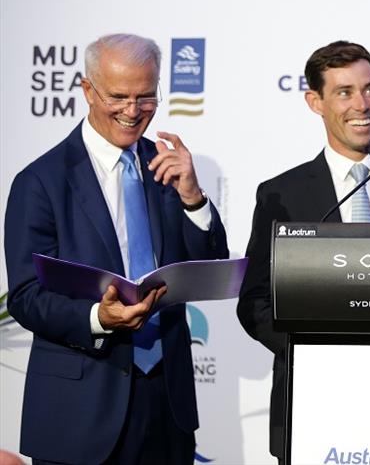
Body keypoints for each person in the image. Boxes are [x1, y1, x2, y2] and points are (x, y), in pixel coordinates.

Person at [4, 33, 229, 464]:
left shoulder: (166, 168)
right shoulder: (40, 182)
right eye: (119, 96)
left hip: (166, 406)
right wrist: (97, 318)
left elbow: (212, 266)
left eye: (145, 97)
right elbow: (26, 297)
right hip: (80, 414)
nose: (132, 111)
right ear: (88, 90)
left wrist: (193, 197)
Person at [237, 40, 370, 463]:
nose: (363, 104)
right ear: (314, 102)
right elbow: (255, 301)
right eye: (345, 92)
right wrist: (311, 351)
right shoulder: (282, 193)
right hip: (313, 399)